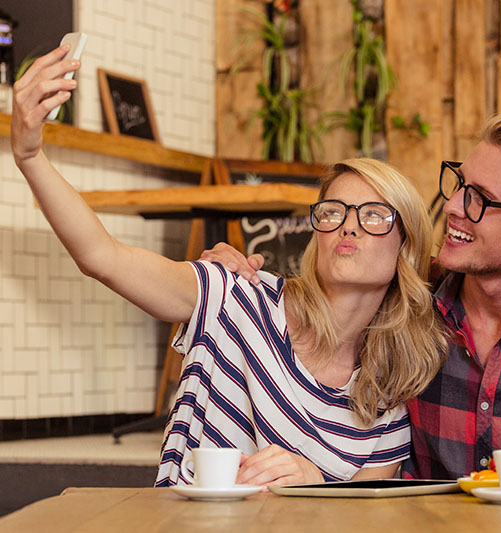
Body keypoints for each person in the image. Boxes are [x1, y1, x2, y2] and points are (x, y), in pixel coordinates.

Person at [11, 44, 447, 487]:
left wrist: (315, 482)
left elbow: (368, 520)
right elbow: (102, 257)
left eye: (374, 215)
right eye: (333, 211)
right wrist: (30, 157)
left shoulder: (385, 400)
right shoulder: (237, 296)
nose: (348, 226)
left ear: (406, 250)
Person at [201, 110, 501, 498]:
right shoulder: (411, 299)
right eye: (458, 183)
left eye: (479, 198)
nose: (454, 207)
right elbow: (326, 290)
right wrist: (241, 276)